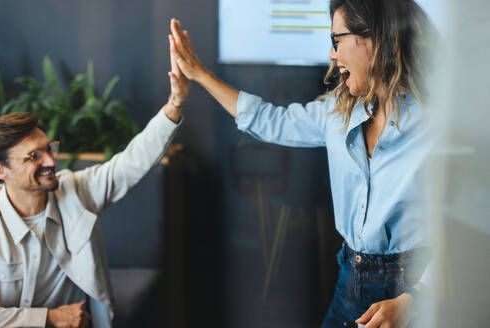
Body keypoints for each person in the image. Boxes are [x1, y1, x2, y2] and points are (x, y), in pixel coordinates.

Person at [168, 0, 436, 326]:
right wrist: (199, 74)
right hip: (351, 281)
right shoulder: (338, 114)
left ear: (374, 39)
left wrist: (416, 299)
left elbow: (469, 221)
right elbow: (270, 120)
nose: (332, 55)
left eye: (338, 40)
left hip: (411, 289)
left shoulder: (436, 125)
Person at [0, 52, 190, 327]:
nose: (51, 161)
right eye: (34, 156)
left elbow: (131, 164)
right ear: (0, 171)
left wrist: (175, 104)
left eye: (49, 149)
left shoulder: (76, 190)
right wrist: (48, 319)